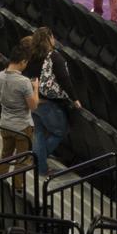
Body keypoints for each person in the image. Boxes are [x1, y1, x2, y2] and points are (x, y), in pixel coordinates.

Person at [30, 31, 80, 176]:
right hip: (48, 102)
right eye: (52, 36)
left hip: (34, 100)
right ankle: (40, 164)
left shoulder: (32, 55)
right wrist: (75, 99)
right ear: (48, 39)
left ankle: (39, 164)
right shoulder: (55, 57)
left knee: (39, 132)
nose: (54, 38)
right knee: (60, 131)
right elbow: (65, 80)